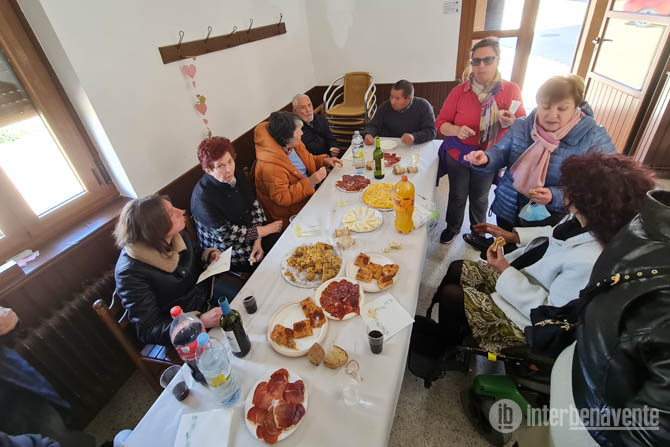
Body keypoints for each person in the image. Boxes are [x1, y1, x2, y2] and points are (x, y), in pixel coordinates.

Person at [433, 153, 656, 356]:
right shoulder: (584, 221)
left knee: (452, 296)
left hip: (528, 320)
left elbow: (549, 311)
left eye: (571, 190)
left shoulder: (589, 260)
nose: (564, 193)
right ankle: (457, 329)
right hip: (525, 281)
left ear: (591, 204)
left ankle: (449, 350)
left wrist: (504, 270)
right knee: (457, 268)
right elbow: (553, 234)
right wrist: (512, 236)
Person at [550, 188, 670, 446]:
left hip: (586, 387)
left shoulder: (646, 223)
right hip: (595, 411)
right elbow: (652, 432)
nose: (567, 202)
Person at [465, 75, 616, 249]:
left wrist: (555, 195)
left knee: (533, 252)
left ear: (576, 107)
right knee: (504, 245)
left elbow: (603, 183)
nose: (552, 115)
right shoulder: (522, 125)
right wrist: (486, 158)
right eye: (545, 107)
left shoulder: (593, 135)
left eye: (562, 108)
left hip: (551, 215)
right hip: (509, 202)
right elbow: (500, 152)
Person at [435, 37, 526, 245]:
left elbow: (523, 124)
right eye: (476, 61)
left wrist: (512, 121)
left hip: (489, 156)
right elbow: (440, 123)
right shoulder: (460, 91)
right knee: (458, 194)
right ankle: (453, 227)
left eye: (488, 60)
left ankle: (478, 233)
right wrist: (456, 130)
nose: (481, 65)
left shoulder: (511, 90)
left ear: (498, 61)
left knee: (480, 197)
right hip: (458, 152)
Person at [114, 196, 235, 346]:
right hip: (187, 327)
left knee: (252, 307)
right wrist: (200, 322)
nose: (181, 211)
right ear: (155, 228)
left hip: (207, 292)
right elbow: (149, 330)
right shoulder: (129, 273)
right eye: (171, 212)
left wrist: (208, 255)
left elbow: (194, 253)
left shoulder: (174, 234)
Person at [0, 307, 96, 447]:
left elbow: (9, 320)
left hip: (19, 384)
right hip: (9, 409)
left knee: (56, 429)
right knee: (48, 435)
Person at [190, 136, 283, 271]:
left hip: (252, 232)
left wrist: (259, 238)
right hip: (225, 251)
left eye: (230, 161)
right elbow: (229, 239)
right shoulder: (202, 199)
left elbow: (254, 204)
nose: (229, 169)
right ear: (208, 170)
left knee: (282, 244)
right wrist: (265, 230)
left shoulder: (235, 174)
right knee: (272, 262)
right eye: (220, 166)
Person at [254, 111, 341, 226]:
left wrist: (324, 160)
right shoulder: (270, 166)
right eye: (299, 130)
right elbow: (282, 198)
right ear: (287, 137)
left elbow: (307, 160)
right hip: (291, 214)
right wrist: (311, 181)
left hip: (310, 197)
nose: (302, 133)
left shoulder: (294, 144)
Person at [362, 79, 437, 146]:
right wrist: (368, 134)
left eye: (397, 98)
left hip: (413, 146)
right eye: (391, 97)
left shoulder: (423, 106)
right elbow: (372, 125)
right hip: (389, 146)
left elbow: (431, 131)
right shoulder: (385, 106)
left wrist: (414, 137)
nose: (392, 102)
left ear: (409, 99)